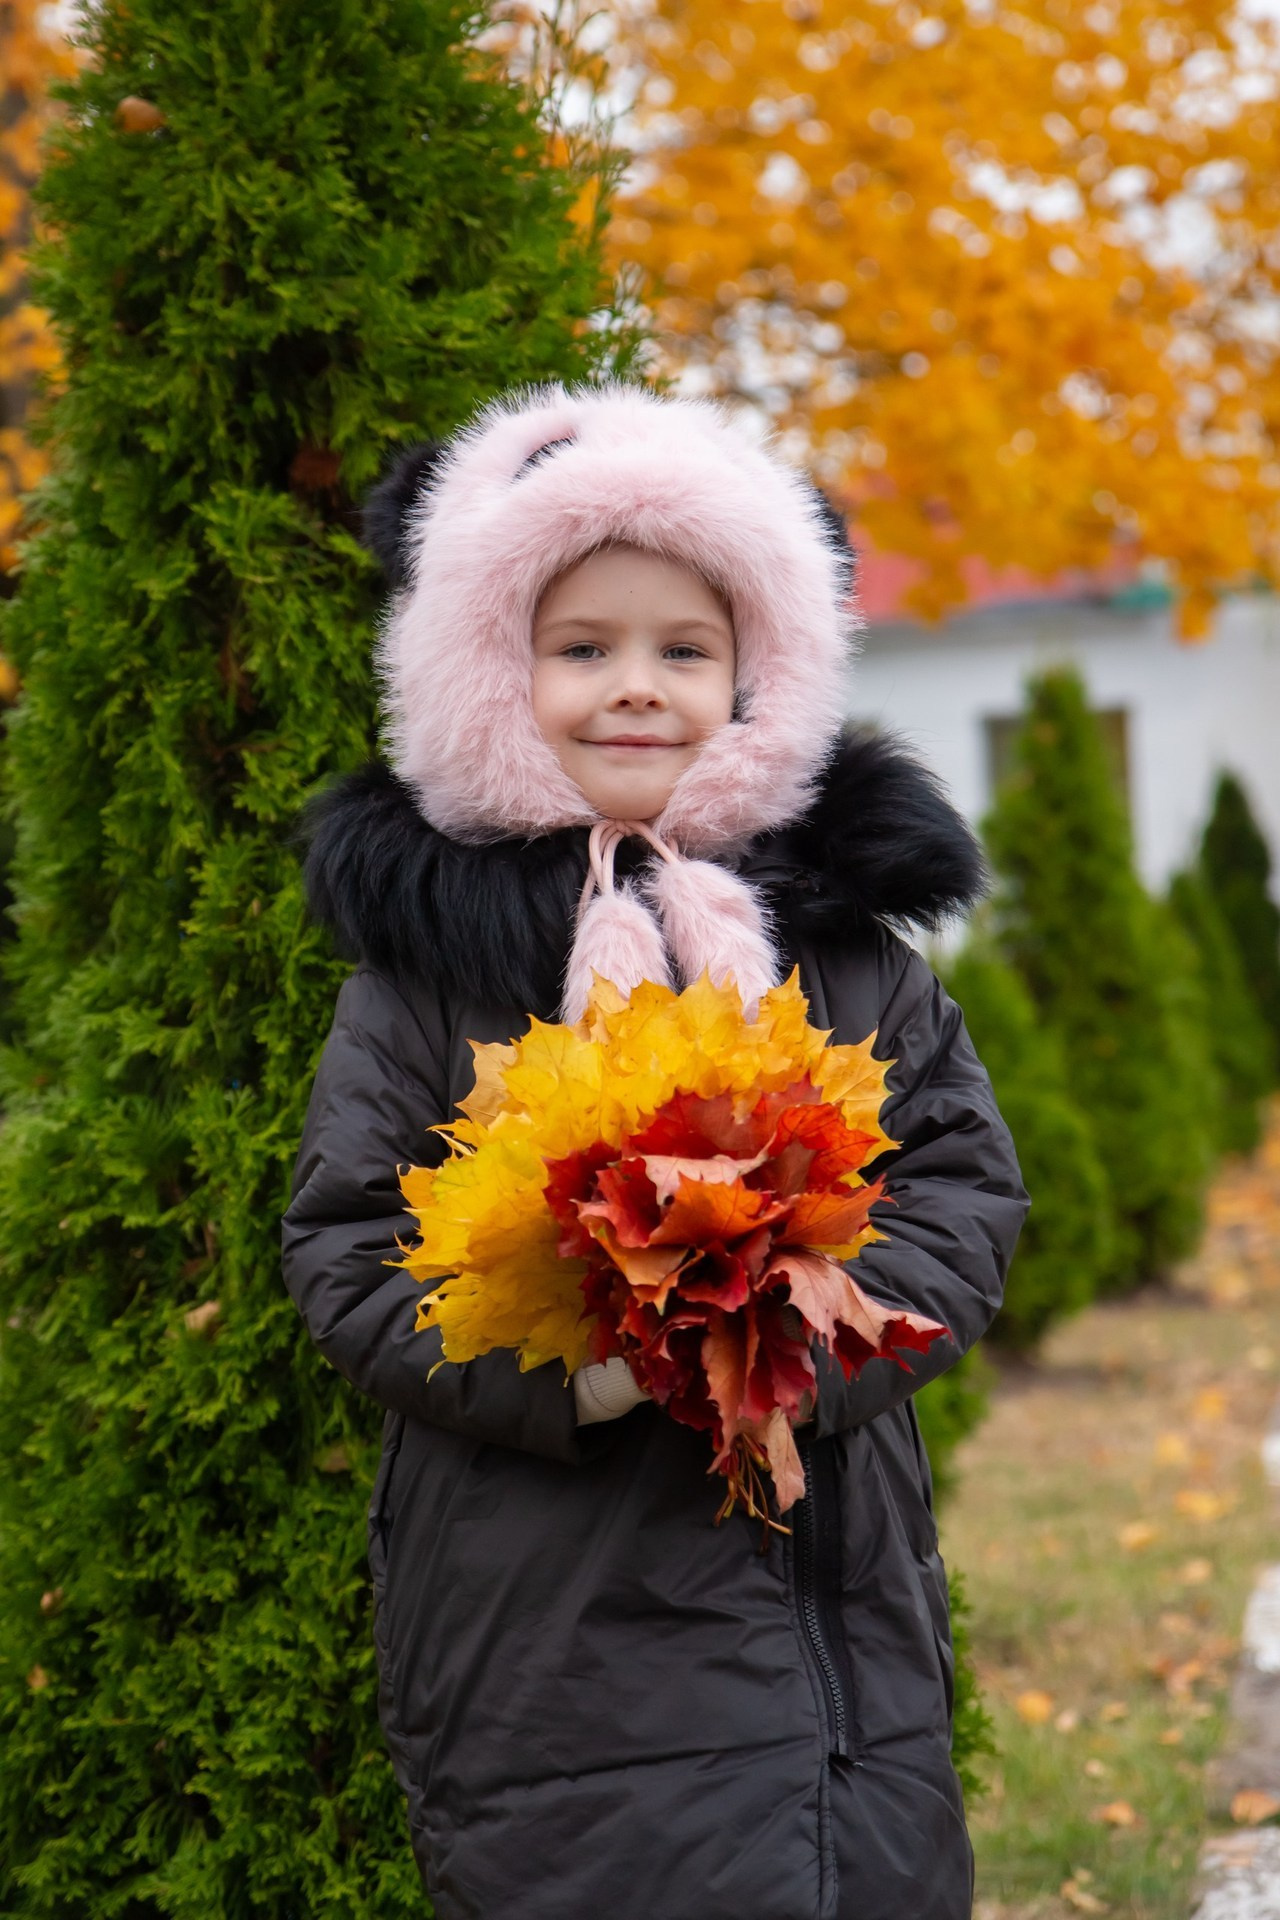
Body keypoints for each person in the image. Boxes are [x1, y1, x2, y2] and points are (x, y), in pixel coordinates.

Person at [281, 381, 1028, 1920]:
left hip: (825, 1594)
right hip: (548, 1611)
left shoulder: (847, 957)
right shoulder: (431, 978)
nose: (638, 688)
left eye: (685, 650)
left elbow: (959, 1183)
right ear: (492, 672)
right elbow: (349, 1251)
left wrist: (805, 1343)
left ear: (761, 674)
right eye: (583, 649)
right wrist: (581, 1361)